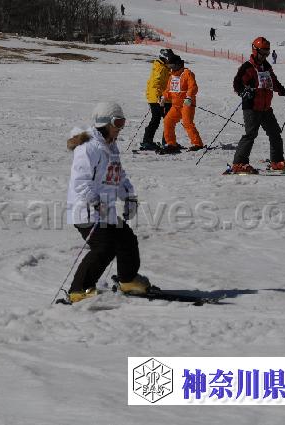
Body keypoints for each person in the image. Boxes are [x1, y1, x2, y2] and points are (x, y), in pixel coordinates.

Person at [66, 102, 151, 303]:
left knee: (126, 239)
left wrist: (128, 196)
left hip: (105, 209)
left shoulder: (110, 146)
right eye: (118, 123)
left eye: (123, 123)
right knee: (104, 247)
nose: (121, 128)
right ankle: (79, 290)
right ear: (104, 124)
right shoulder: (88, 148)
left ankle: (128, 280)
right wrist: (95, 202)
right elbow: (80, 182)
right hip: (86, 209)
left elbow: (117, 176)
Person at [229, 36, 285, 174]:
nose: (265, 56)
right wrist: (243, 92)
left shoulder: (266, 67)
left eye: (267, 53)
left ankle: (276, 162)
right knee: (250, 134)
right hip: (252, 107)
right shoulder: (247, 67)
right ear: (255, 51)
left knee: (275, 133)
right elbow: (237, 83)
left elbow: (274, 83)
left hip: (265, 108)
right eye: (263, 53)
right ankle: (239, 163)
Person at [160, 56, 204, 153]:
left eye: (172, 65)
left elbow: (193, 87)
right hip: (175, 105)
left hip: (186, 103)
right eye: (170, 66)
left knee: (187, 122)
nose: (171, 68)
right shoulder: (172, 76)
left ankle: (198, 144)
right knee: (168, 121)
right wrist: (164, 97)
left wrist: (189, 97)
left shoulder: (187, 73)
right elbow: (169, 89)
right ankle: (171, 144)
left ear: (178, 64)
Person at [140, 49, 174, 151]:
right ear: (164, 57)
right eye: (169, 57)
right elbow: (156, 83)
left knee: (157, 120)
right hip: (158, 99)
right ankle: (165, 142)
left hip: (157, 98)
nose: (170, 59)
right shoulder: (160, 68)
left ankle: (149, 141)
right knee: (167, 120)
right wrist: (159, 97)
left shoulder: (163, 67)